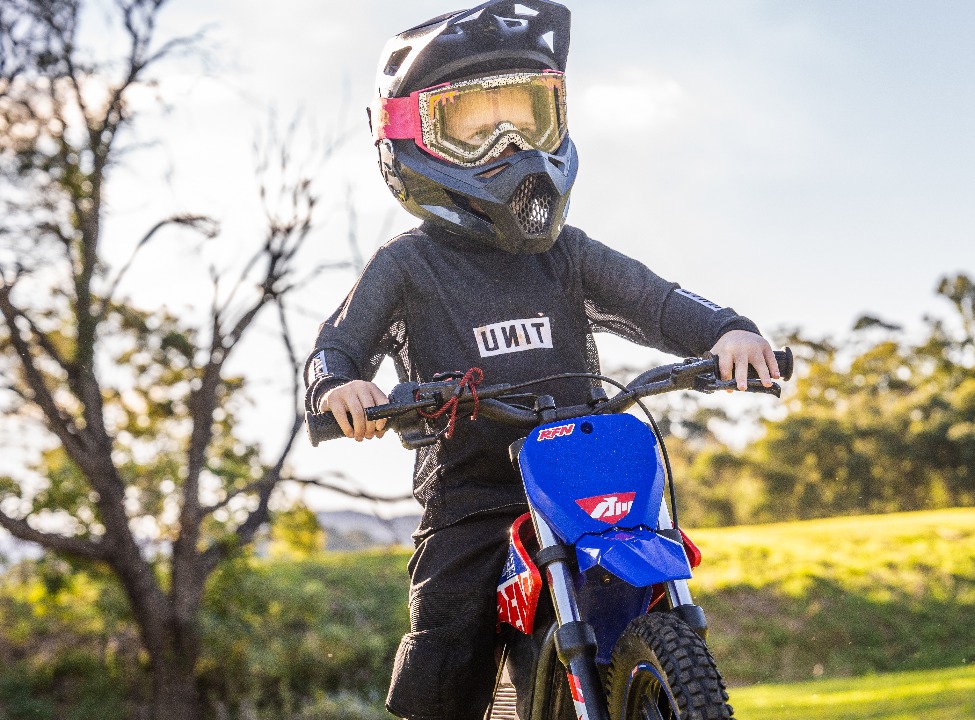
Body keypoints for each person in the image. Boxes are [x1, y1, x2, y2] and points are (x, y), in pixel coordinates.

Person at [303, 2, 778, 717]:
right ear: (412, 137)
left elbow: (655, 302)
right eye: (474, 126)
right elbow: (336, 347)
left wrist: (728, 332)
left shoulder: (567, 252)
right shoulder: (407, 265)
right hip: (472, 493)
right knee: (446, 633)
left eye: (527, 119)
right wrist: (339, 386)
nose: (510, 146)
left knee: (653, 573)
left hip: (583, 474)